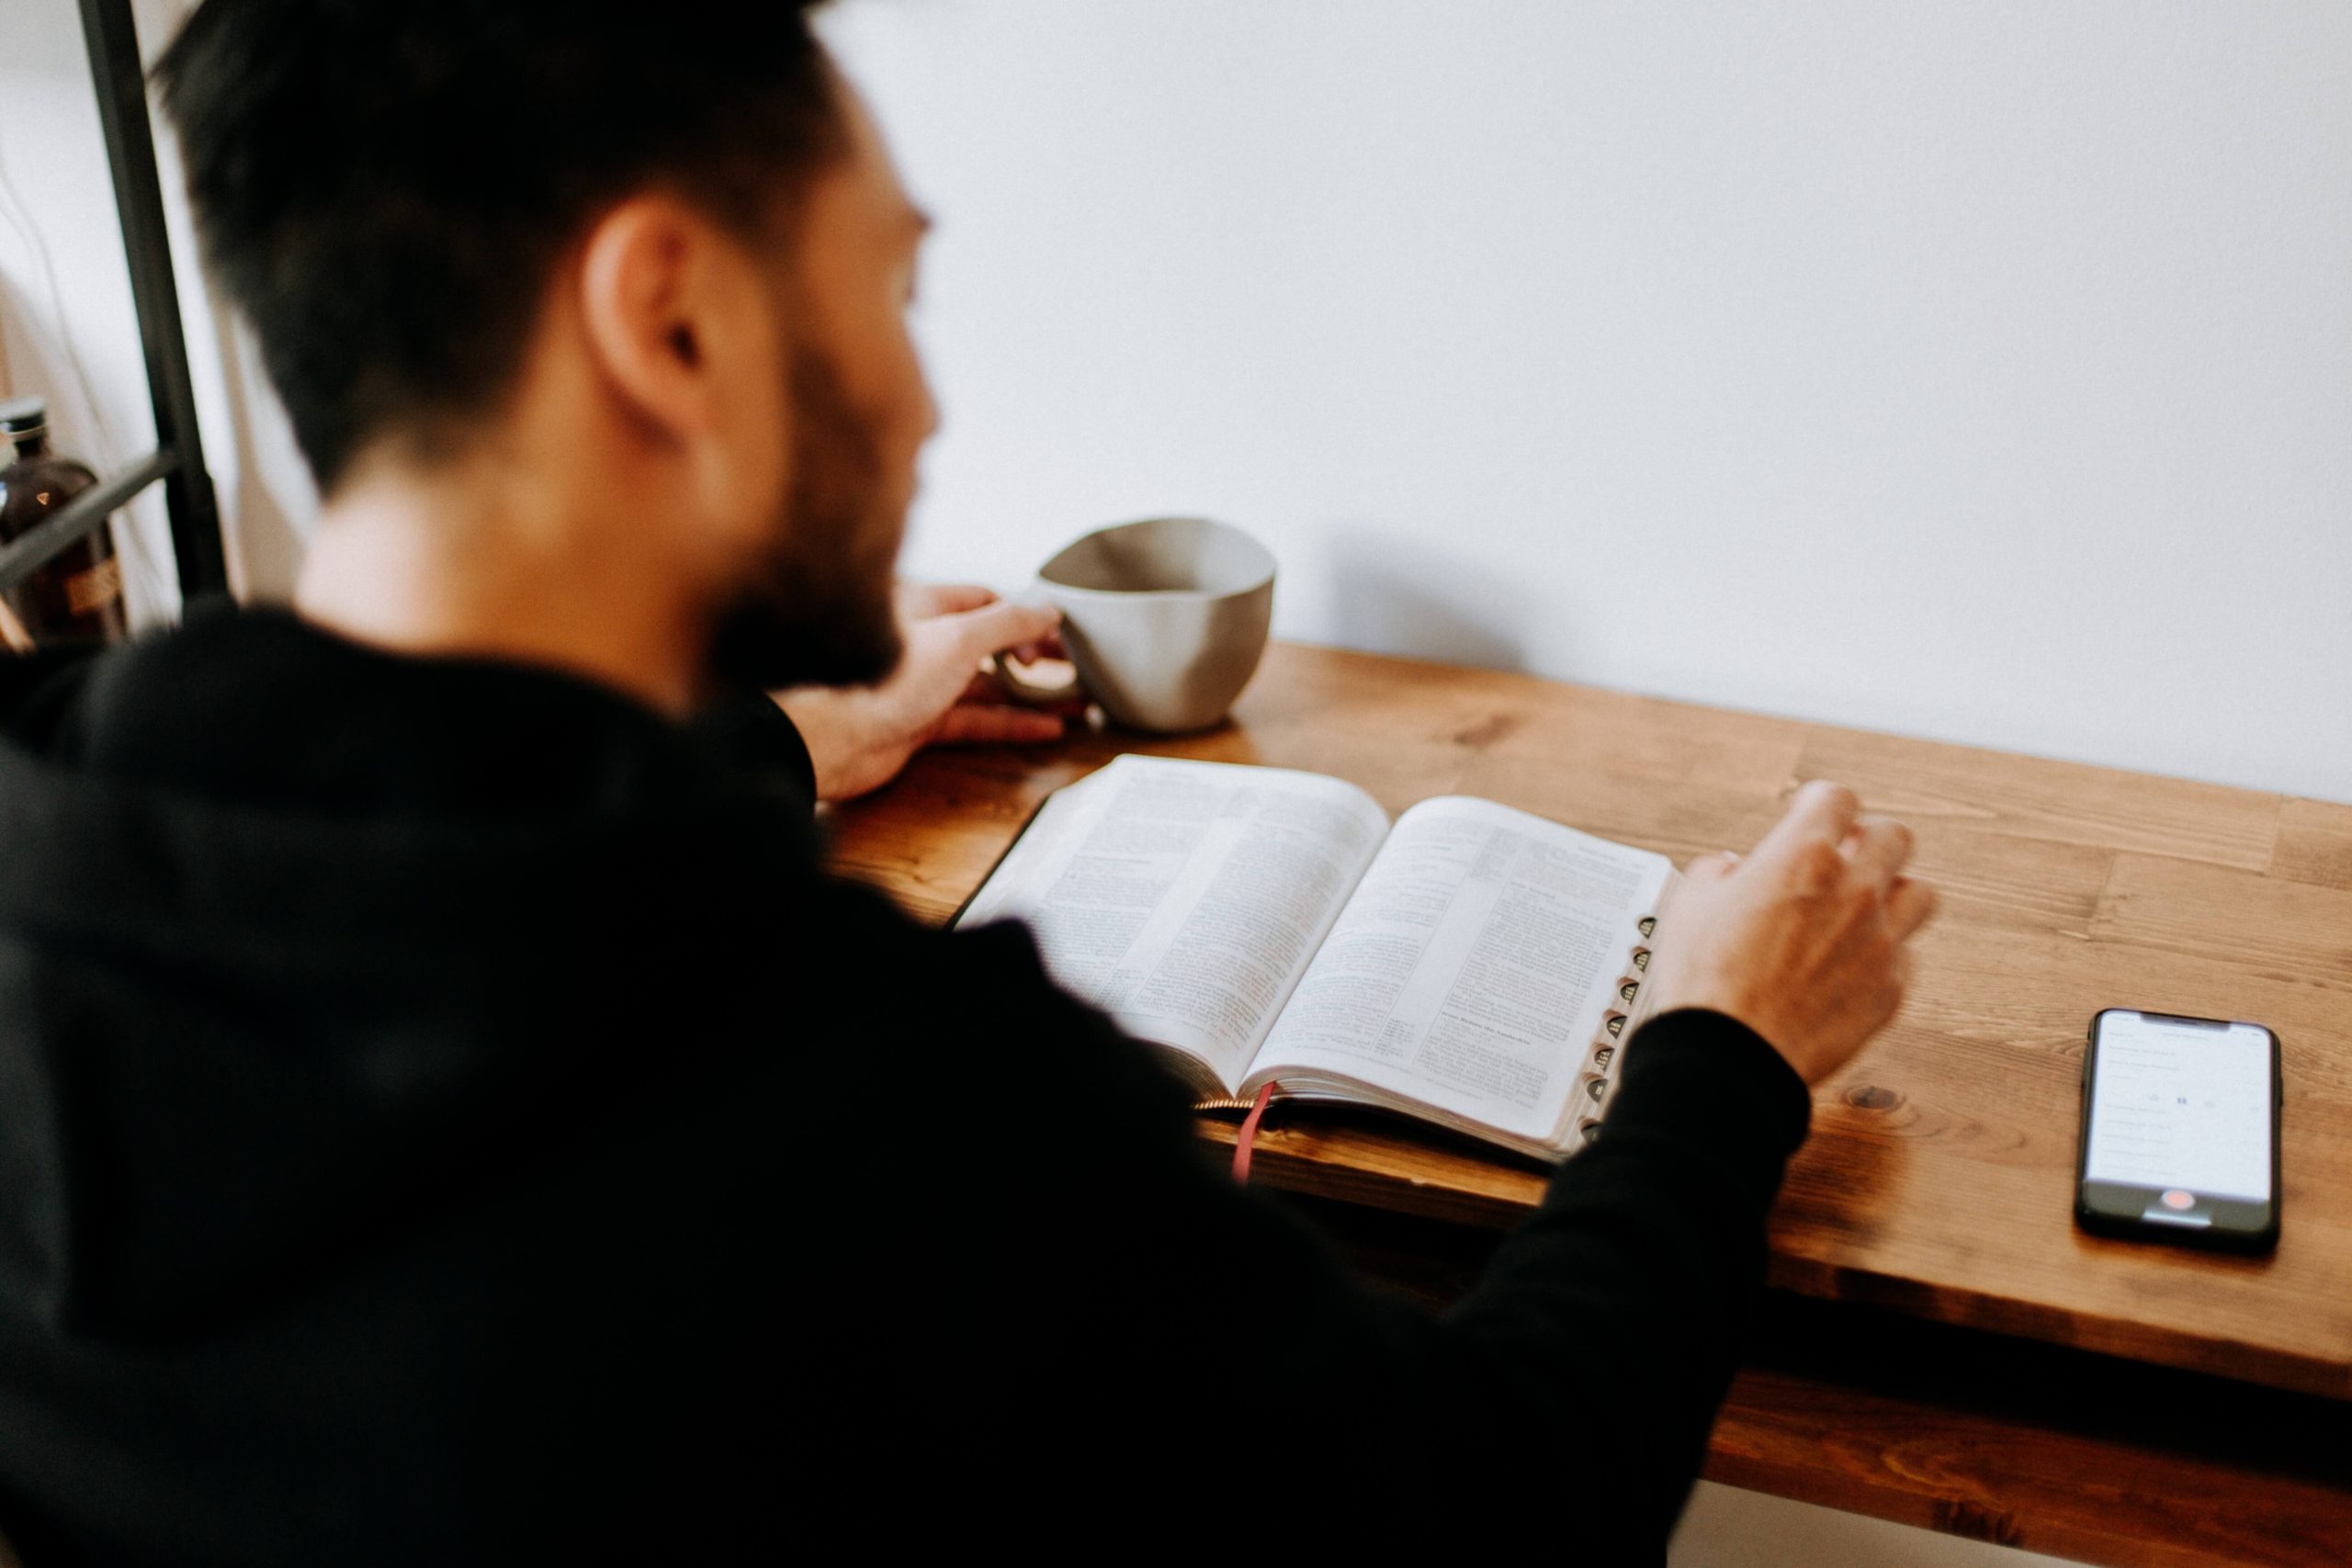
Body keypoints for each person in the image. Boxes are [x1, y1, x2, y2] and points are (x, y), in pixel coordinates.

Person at [0, 2, 1933, 1561]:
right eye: (890, 289)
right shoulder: (887, 1104)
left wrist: (772, 740)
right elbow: (1493, 1509)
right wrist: (1717, 1055)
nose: (921, 397)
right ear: (671, 318)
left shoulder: (50, 828)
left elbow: (446, 877)